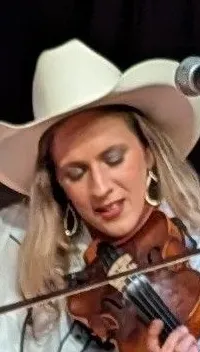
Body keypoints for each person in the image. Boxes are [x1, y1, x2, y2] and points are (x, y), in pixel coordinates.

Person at [0, 39, 200, 352]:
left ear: (148, 154)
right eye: (75, 173)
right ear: (57, 184)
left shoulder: (193, 230)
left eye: (114, 159)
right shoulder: (13, 243)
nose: (101, 188)